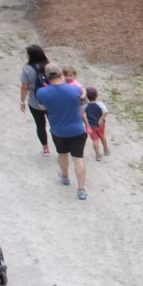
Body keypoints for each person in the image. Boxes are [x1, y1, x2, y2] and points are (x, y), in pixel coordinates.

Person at [34, 63, 89, 200]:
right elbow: (83, 102)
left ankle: (65, 177)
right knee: (78, 158)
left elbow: (41, 107)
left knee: (62, 154)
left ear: (47, 76)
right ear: (61, 74)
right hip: (77, 129)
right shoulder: (74, 89)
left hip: (58, 130)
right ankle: (81, 189)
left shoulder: (41, 92)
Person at [18, 44, 50, 155]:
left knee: (40, 125)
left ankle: (46, 149)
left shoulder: (26, 69)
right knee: (55, 123)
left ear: (31, 55)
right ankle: (62, 146)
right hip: (51, 100)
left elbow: (24, 87)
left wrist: (22, 101)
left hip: (35, 101)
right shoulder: (49, 66)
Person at [84, 87, 109, 161]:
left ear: (87, 97)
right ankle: (106, 150)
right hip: (100, 125)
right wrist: (101, 119)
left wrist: (86, 123)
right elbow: (105, 111)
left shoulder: (86, 106)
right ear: (97, 96)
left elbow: (82, 114)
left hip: (91, 126)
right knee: (102, 136)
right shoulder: (100, 104)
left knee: (95, 140)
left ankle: (98, 155)